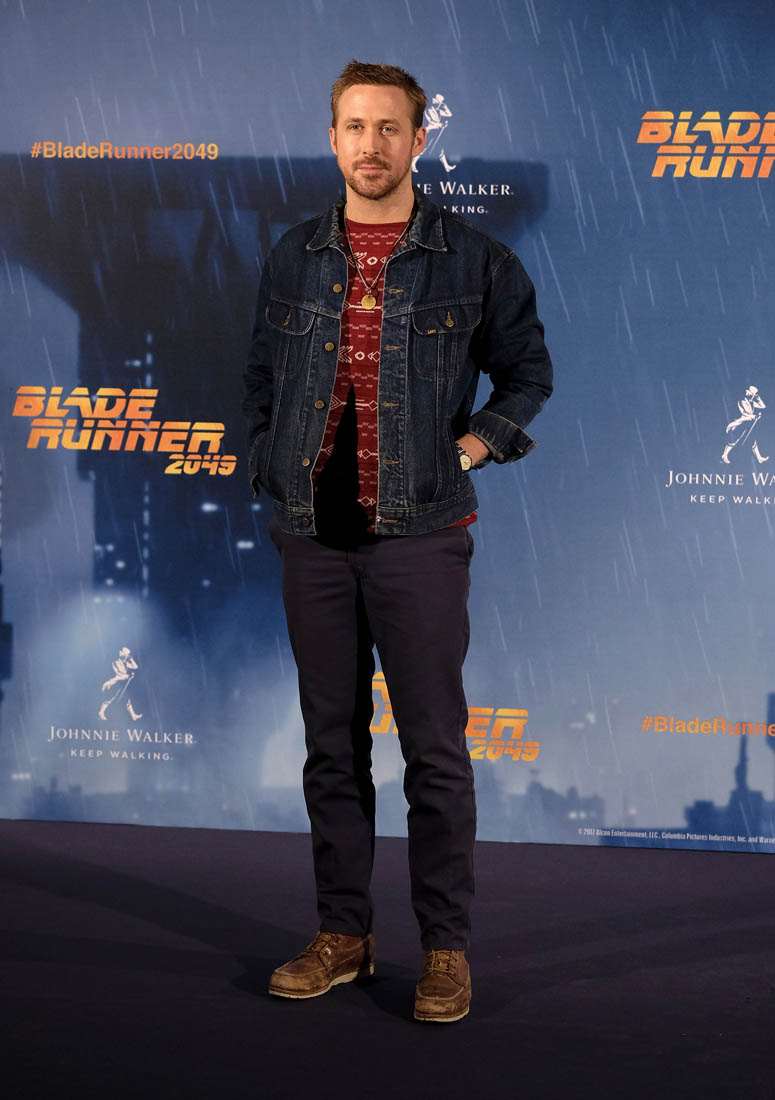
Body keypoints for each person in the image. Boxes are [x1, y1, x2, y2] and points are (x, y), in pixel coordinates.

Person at [243, 60, 552, 1023]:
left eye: (389, 128)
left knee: (434, 753)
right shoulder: (294, 255)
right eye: (354, 126)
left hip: (420, 535)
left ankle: (444, 951)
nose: (370, 145)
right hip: (312, 540)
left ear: (419, 140)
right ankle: (344, 935)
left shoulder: (475, 261)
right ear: (331, 139)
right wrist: (268, 465)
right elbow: (261, 378)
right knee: (329, 749)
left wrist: (466, 450)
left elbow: (528, 375)